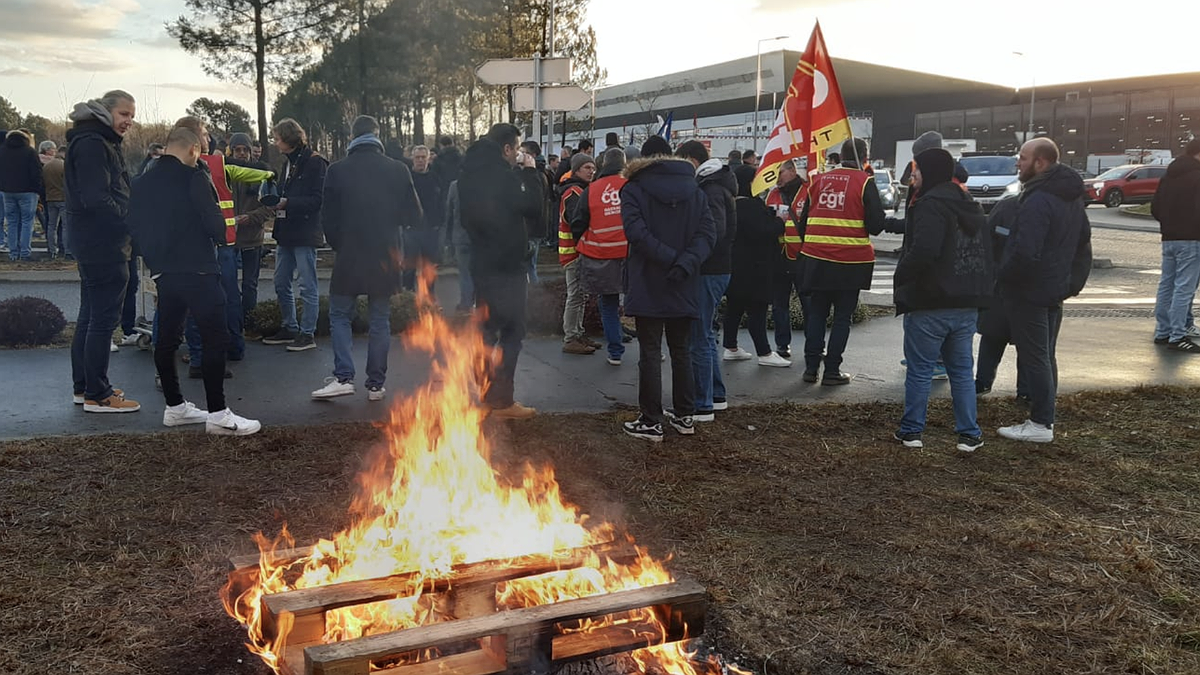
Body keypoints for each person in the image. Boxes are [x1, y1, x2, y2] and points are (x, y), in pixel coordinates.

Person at [127, 126, 261, 435]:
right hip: (199, 270)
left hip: (164, 271)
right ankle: (218, 414)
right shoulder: (194, 177)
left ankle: (175, 407)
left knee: (168, 338)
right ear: (192, 150)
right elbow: (215, 226)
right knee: (215, 338)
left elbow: (132, 225)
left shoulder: (142, 182)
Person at [312, 115, 422, 402]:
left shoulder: (337, 170)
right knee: (380, 319)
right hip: (385, 255)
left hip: (349, 253)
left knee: (339, 315)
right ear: (377, 135)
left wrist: (339, 243)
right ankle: (376, 384)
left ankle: (343, 377)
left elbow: (327, 217)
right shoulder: (398, 169)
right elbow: (414, 215)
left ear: (352, 137)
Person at [891, 147, 992, 452]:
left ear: (929, 172)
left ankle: (911, 431)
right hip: (966, 301)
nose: (913, 176)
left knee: (920, 370)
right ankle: (969, 433)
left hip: (930, 300)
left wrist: (901, 276)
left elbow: (924, 250)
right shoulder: (970, 205)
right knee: (961, 371)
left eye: (916, 170)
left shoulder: (930, 206)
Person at [620, 135, 717, 442]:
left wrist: (667, 258)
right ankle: (686, 415)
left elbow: (636, 232)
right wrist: (684, 263)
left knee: (650, 351)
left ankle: (651, 421)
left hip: (648, 278)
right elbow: (707, 234)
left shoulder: (633, 189)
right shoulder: (695, 190)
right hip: (684, 279)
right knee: (681, 350)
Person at [996, 138, 1092, 443]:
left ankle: (1040, 423)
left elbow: (1025, 251)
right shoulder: (1071, 197)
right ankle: (1043, 417)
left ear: (1041, 163)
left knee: (1035, 356)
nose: (1017, 163)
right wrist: (1070, 283)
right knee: (1045, 355)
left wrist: (1004, 278)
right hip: (1054, 290)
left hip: (1030, 292)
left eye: (1022, 158)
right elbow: (1084, 245)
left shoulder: (1038, 199)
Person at [458, 123, 545, 419]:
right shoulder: (504, 177)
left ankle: (483, 395)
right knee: (512, 331)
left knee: (484, 331)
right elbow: (533, 207)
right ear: (506, 148)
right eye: (516, 149)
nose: (517, 155)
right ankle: (503, 401)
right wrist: (531, 173)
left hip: (481, 264)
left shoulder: (468, 175)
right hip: (507, 266)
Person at [64, 90, 140, 412]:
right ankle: (99, 394)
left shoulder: (94, 140)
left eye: (132, 117)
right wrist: (132, 220)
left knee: (89, 316)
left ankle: (85, 387)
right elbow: (98, 199)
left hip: (94, 242)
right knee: (102, 321)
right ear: (105, 112)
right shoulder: (94, 143)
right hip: (104, 243)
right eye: (124, 114)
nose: (128, 122)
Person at [795, 137, 887, 385]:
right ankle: (832, 371)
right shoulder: (864, 182)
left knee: (816, 315)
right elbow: (877, 225)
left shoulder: (819, 180)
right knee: (842, 318)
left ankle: (810, 369)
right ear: (864, 157)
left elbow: (803, 223)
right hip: (850, 263)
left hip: (816, 259)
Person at [676, 140, 736, 421]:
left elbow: (715, 231)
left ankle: (702, 404)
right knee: (706, 335)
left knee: (698, 337)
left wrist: (691, 257)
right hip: (718, 269)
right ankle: (716, 395)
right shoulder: (717, 183)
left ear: (691, 159)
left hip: (710, 270)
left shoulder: (710, 188)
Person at [262, 118, 327, 352]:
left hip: (305, 232)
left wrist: (287, 203)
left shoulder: (315, 162)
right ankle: (289, 326)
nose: (276, 143)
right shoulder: (287, 164)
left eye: (278, 138)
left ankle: (307, 333)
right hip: (286, 232)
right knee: (281, 281)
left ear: (289, 139)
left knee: (307, 284)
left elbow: (318, 200)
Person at [571, 148, 628, 366]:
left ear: (603, 164)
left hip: (602, 254)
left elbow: (578, 222)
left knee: (608, 304)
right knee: (642, 304)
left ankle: (615, 352)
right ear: (625, 163)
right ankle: (651, 350)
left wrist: (582, 243)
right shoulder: (633, 186)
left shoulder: (592, 190)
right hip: (632, 254)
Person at [724, 186, 785, 373]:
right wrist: (779, 222)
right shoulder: (749, 206)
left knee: (734, 307)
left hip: (736, 264)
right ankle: (764, 353)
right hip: (755, 266)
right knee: (757, 309)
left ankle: (731, 347)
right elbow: (762, 231)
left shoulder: (731, 203)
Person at [1151, 137, 1200, 351]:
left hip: (1169, 238)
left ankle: (1163, 331)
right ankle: (1178, 335)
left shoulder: (1168, 176)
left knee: (1167, 285)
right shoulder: (1198, 176)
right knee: (1184, 289)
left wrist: (1169, 223)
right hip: (1192, 238)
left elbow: (1155, 207)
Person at [226, 132, 276, 334]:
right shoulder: (225, 173)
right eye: (237, 150)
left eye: (244, 150)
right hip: (228, 239)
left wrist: (250, 217)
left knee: (250, 285)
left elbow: (270, 206)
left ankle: (249, 323)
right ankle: (233, 324)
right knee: (228, 285)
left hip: (252, 238)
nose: (241, 154)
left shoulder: (263, 173)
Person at [766, 159, 806, 364]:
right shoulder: (772, 194)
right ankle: (782, 344)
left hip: (802, 257)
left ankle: (814, 344)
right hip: (779, 256)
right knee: (779, 304)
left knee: (808, 303)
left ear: (792, 171)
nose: (777, 177)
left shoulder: (808, 191)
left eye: (780, 172)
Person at [557, 152, 597, 354]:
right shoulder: (574, 192)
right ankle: (571, 337)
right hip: (574, 252)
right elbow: (577, 222)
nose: (591, 171)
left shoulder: (580, 190)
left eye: (592, 168)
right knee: (575, 295)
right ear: (576, 170)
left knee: (580, 295)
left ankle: (578, 333)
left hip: (577, 251)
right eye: (587, 168)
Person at [0, 130, 44, 262]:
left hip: (7, 192)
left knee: (12, 222)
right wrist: (38, 191)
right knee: (27, 222)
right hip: (28, 192)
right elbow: (37, 173)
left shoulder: (2, 151)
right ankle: (25, 253)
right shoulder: (30, 152)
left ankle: (13, 253)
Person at [404, 145, 442, 291]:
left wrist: (438, 223)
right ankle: (407, 295)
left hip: (431, 229)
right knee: (409, 266)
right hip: (411, 229)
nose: (420, 160)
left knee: (429, 266)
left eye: (423, 157)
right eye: (417, 157)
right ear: (412, 159)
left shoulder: (435, 178)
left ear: (428, 159)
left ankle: (429, 297)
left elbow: (441, 202)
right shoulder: (407, 179)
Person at [42, 142, 66, 259]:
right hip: (63, 198)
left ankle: (52, 250)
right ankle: (67, 250)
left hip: (50, 198)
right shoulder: (64, 165)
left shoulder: (46, 166)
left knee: (51, 226)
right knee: (66, 226)